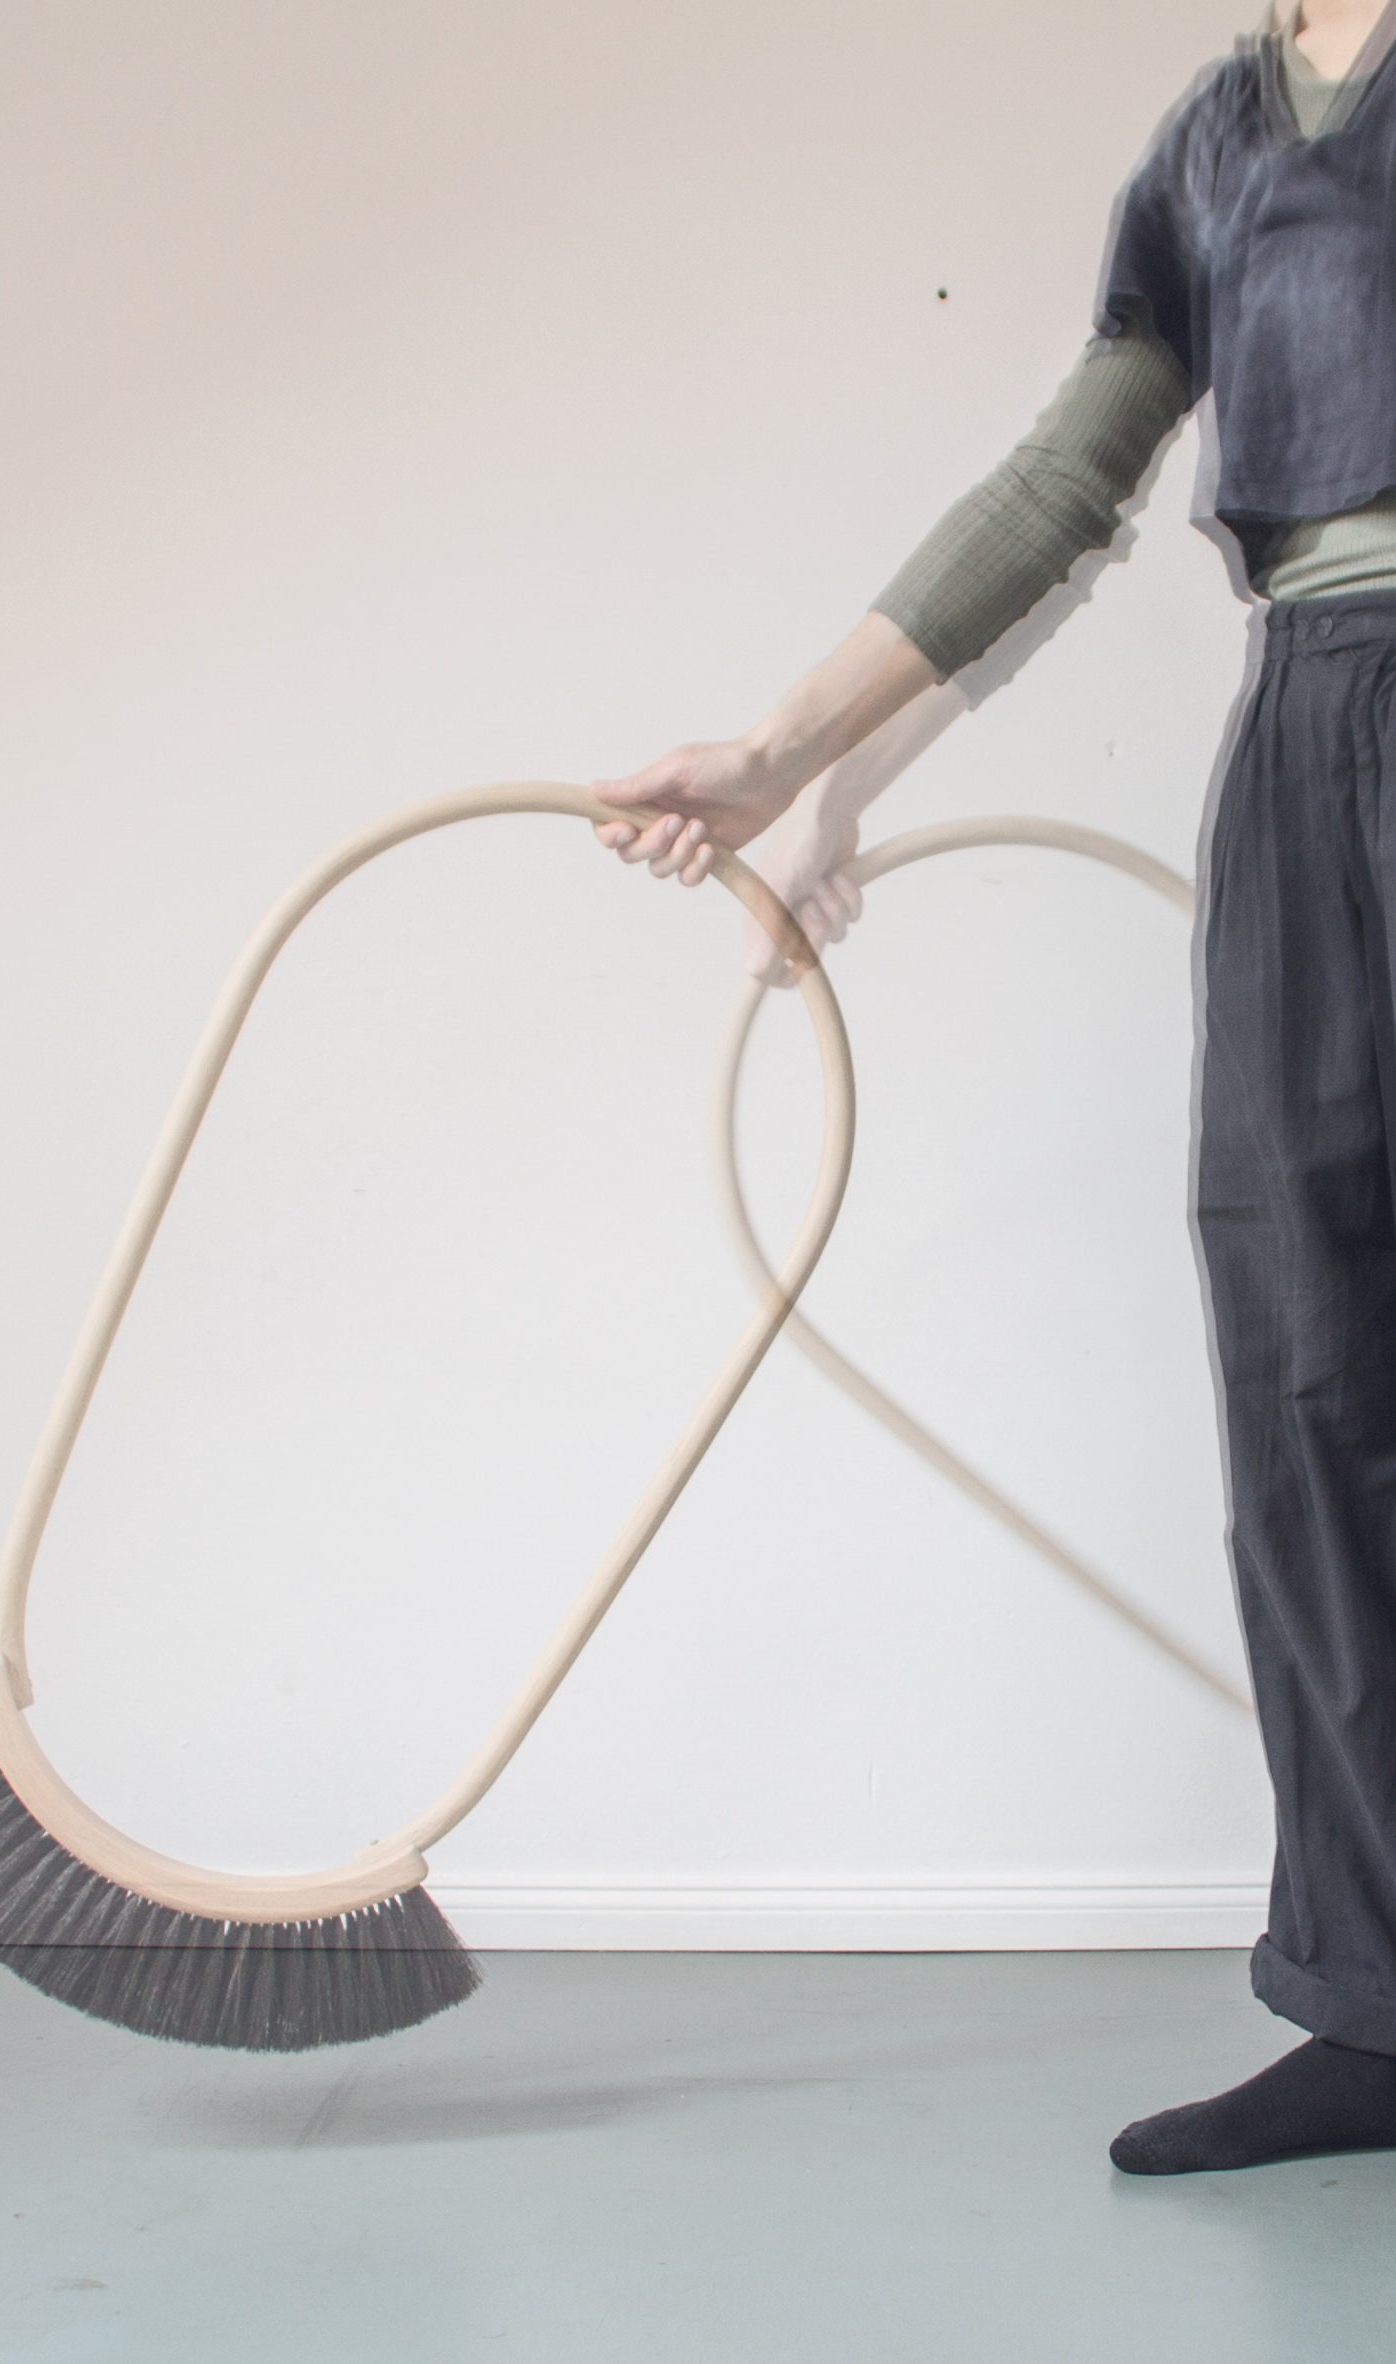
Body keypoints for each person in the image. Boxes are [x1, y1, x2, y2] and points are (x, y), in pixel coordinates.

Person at [590, 0, 1396, 2175]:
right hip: (1309, 725)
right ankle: (1377, 2002)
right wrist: (800, 766)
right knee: (1311, 1370)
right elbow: (1066, 486)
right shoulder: (1218, 140)